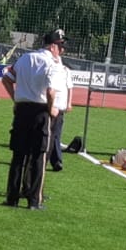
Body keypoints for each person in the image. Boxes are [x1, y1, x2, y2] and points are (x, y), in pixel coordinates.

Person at [1, 42, 54, 210]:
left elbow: (6, 79)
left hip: (22, 110)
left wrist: (16, 99)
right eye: (60, 47)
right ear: (52, 46)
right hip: (40, 110)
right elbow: (51, 91)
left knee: (18, 156)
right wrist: (51, 108)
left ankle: (12, 198)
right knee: (38, 156)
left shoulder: (24, 58)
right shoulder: (50, 63)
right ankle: (33, 200)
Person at [41, 28, 73, 171]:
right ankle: (49, 161)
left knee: (55, 135)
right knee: (48, 137)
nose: (62, 49)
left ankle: (52, 161)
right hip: (48, 105)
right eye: (60, 45)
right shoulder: (46, 62)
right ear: (53, 46)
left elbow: (68, 87)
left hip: (58, 106)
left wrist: (68, 103)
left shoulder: (63, 67)